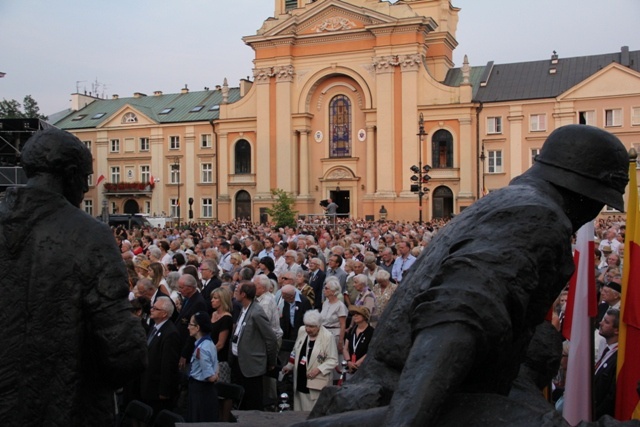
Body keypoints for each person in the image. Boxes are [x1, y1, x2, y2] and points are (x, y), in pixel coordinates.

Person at [309, 125, 629, 425]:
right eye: (601, 202)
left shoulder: (506, 200)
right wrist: (405, 420)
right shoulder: (539, 214)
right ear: (587, 195)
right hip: (408, 396)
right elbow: (456, 318)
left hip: (415, 388)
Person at [0, 128, 147, 426]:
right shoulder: (90, 236)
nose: (85, 189)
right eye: (85, 177)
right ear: (69, 174)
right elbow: (122, 354)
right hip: (65, 407)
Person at [230, 281, 278, 410]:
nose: (235, 293)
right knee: (242, 400)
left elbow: (271, 338)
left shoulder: (256, 312)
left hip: (252, 365)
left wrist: (270, 361)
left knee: (252, 402)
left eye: (237, 290)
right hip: (239, 361)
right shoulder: (243, 308)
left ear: (244, 294)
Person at [282, 310, 338, 411]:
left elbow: (333, 360)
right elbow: (295, 350)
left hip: (316, 383)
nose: (308, 329)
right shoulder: (302, 331)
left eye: (311, 327)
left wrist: (318, 369)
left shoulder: (328, 337)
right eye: (306, 326)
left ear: (319, 326)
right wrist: (289, 365)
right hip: (300, 380)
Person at [141, 296, 181, 419]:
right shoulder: (154, 327)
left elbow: (168, 364)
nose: (151, 309)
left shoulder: (170, 333)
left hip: (158, 388)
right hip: (148, 384)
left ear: (164, 313)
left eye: (155, 308)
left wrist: (164, 391)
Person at [187, 312, 219, 423]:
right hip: (201, 391)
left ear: (197, 328)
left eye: (191, 324)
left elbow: (209, 376)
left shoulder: (203, 349)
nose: (188, 327)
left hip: (200, 391)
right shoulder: (209, 343)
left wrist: (214, 377)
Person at [594, 309, 619, 419]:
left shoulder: (618, 357)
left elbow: (611, 395)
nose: (600, 323)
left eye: (606, 322)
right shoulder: (606, 349)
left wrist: (595, 414)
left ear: (617, 330)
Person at [210, 287, 234, 383]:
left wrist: (207, 354)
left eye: (215, 298)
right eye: (212, 298)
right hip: (210, 356)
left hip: (219, 359)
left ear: (223, 300)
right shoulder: (213, 314)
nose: (212, 300)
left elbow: (220, 344)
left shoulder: (226, 318)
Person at [343, 306, 374, 378]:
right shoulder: (351, 330)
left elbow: (370, 351)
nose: (355, 316)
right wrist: (348, 362)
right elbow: (345, 348)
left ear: (364, 316)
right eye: (354, 314)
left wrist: (358, 363)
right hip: (350, 367)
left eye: (358, 314)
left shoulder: (371, 332)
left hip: (363, 368)